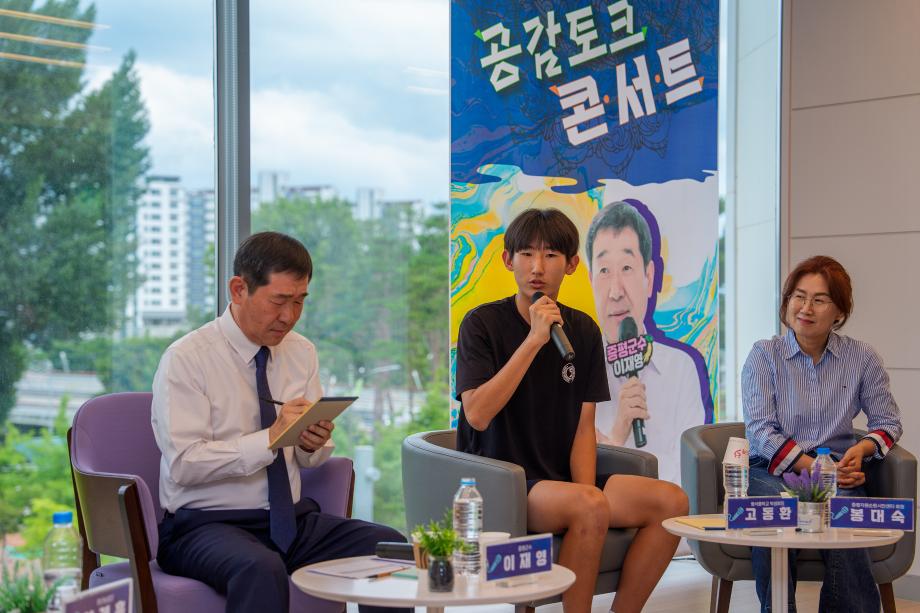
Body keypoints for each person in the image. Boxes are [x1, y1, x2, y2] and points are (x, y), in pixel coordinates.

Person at [151, 232, 408, 613]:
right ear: (239, 289)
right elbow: (184, 464)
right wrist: (270, 438)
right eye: (279, 301)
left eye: (299, 301)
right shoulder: (187, 358)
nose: (289, 316)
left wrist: (310, 442)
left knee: (390, 547)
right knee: (260, 568)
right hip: (203, 525)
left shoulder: (301, 352)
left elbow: (310, 459)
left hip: (289, 522)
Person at [455, 208, 688, 613]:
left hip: (563, 483)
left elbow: (584, 427)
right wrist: (533, 340)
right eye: (527, 254)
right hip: (505, 484)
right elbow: (477, 414)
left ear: (572, 264)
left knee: (672, 502)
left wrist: (586, 493)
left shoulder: (582, 330)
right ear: (508, 260)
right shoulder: (481, 324)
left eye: (550, 255)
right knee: (589, 505)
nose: (537, 267)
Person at [742, 255, 901, 613]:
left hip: (838, 472)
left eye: (819, 299)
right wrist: (815, 469)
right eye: (798, 296)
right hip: (772, 470)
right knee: (779, 511)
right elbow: (761, 432)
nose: (806, 308)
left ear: (839, 312)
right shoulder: (764, 355)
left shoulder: (862, 358)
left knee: (845, 515)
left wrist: (862, 450)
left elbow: (889, 422)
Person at [585, 200, 713, 486]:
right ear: (590, 280)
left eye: (627, 267)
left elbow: (691, 467)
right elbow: (577, 476)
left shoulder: (682, 368)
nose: (615, 291)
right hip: (604, 508)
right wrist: (619, 429)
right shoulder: (578, 370)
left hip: (668, 509)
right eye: (604, 271)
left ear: (649, 276)